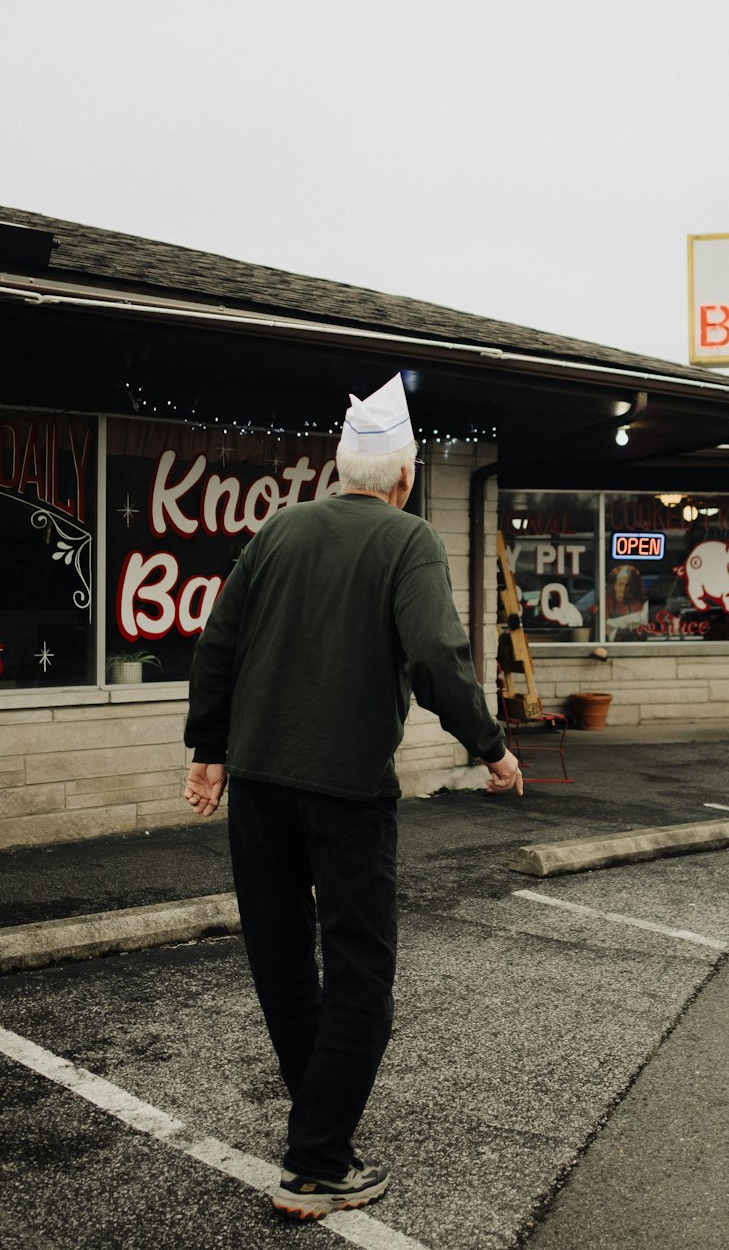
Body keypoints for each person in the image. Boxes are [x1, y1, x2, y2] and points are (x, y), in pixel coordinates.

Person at [183, 372, 522, 1221]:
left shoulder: (278, 530)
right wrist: (491, 745)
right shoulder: (409, 542)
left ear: (341, 470)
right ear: (404, 478)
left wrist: (209, 751)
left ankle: (318, 1125)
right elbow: (438, 656)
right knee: (361, 970)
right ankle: (318, 1160)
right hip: (345, 789)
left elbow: (218, 644)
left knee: (282, 957)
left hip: (259, 781)